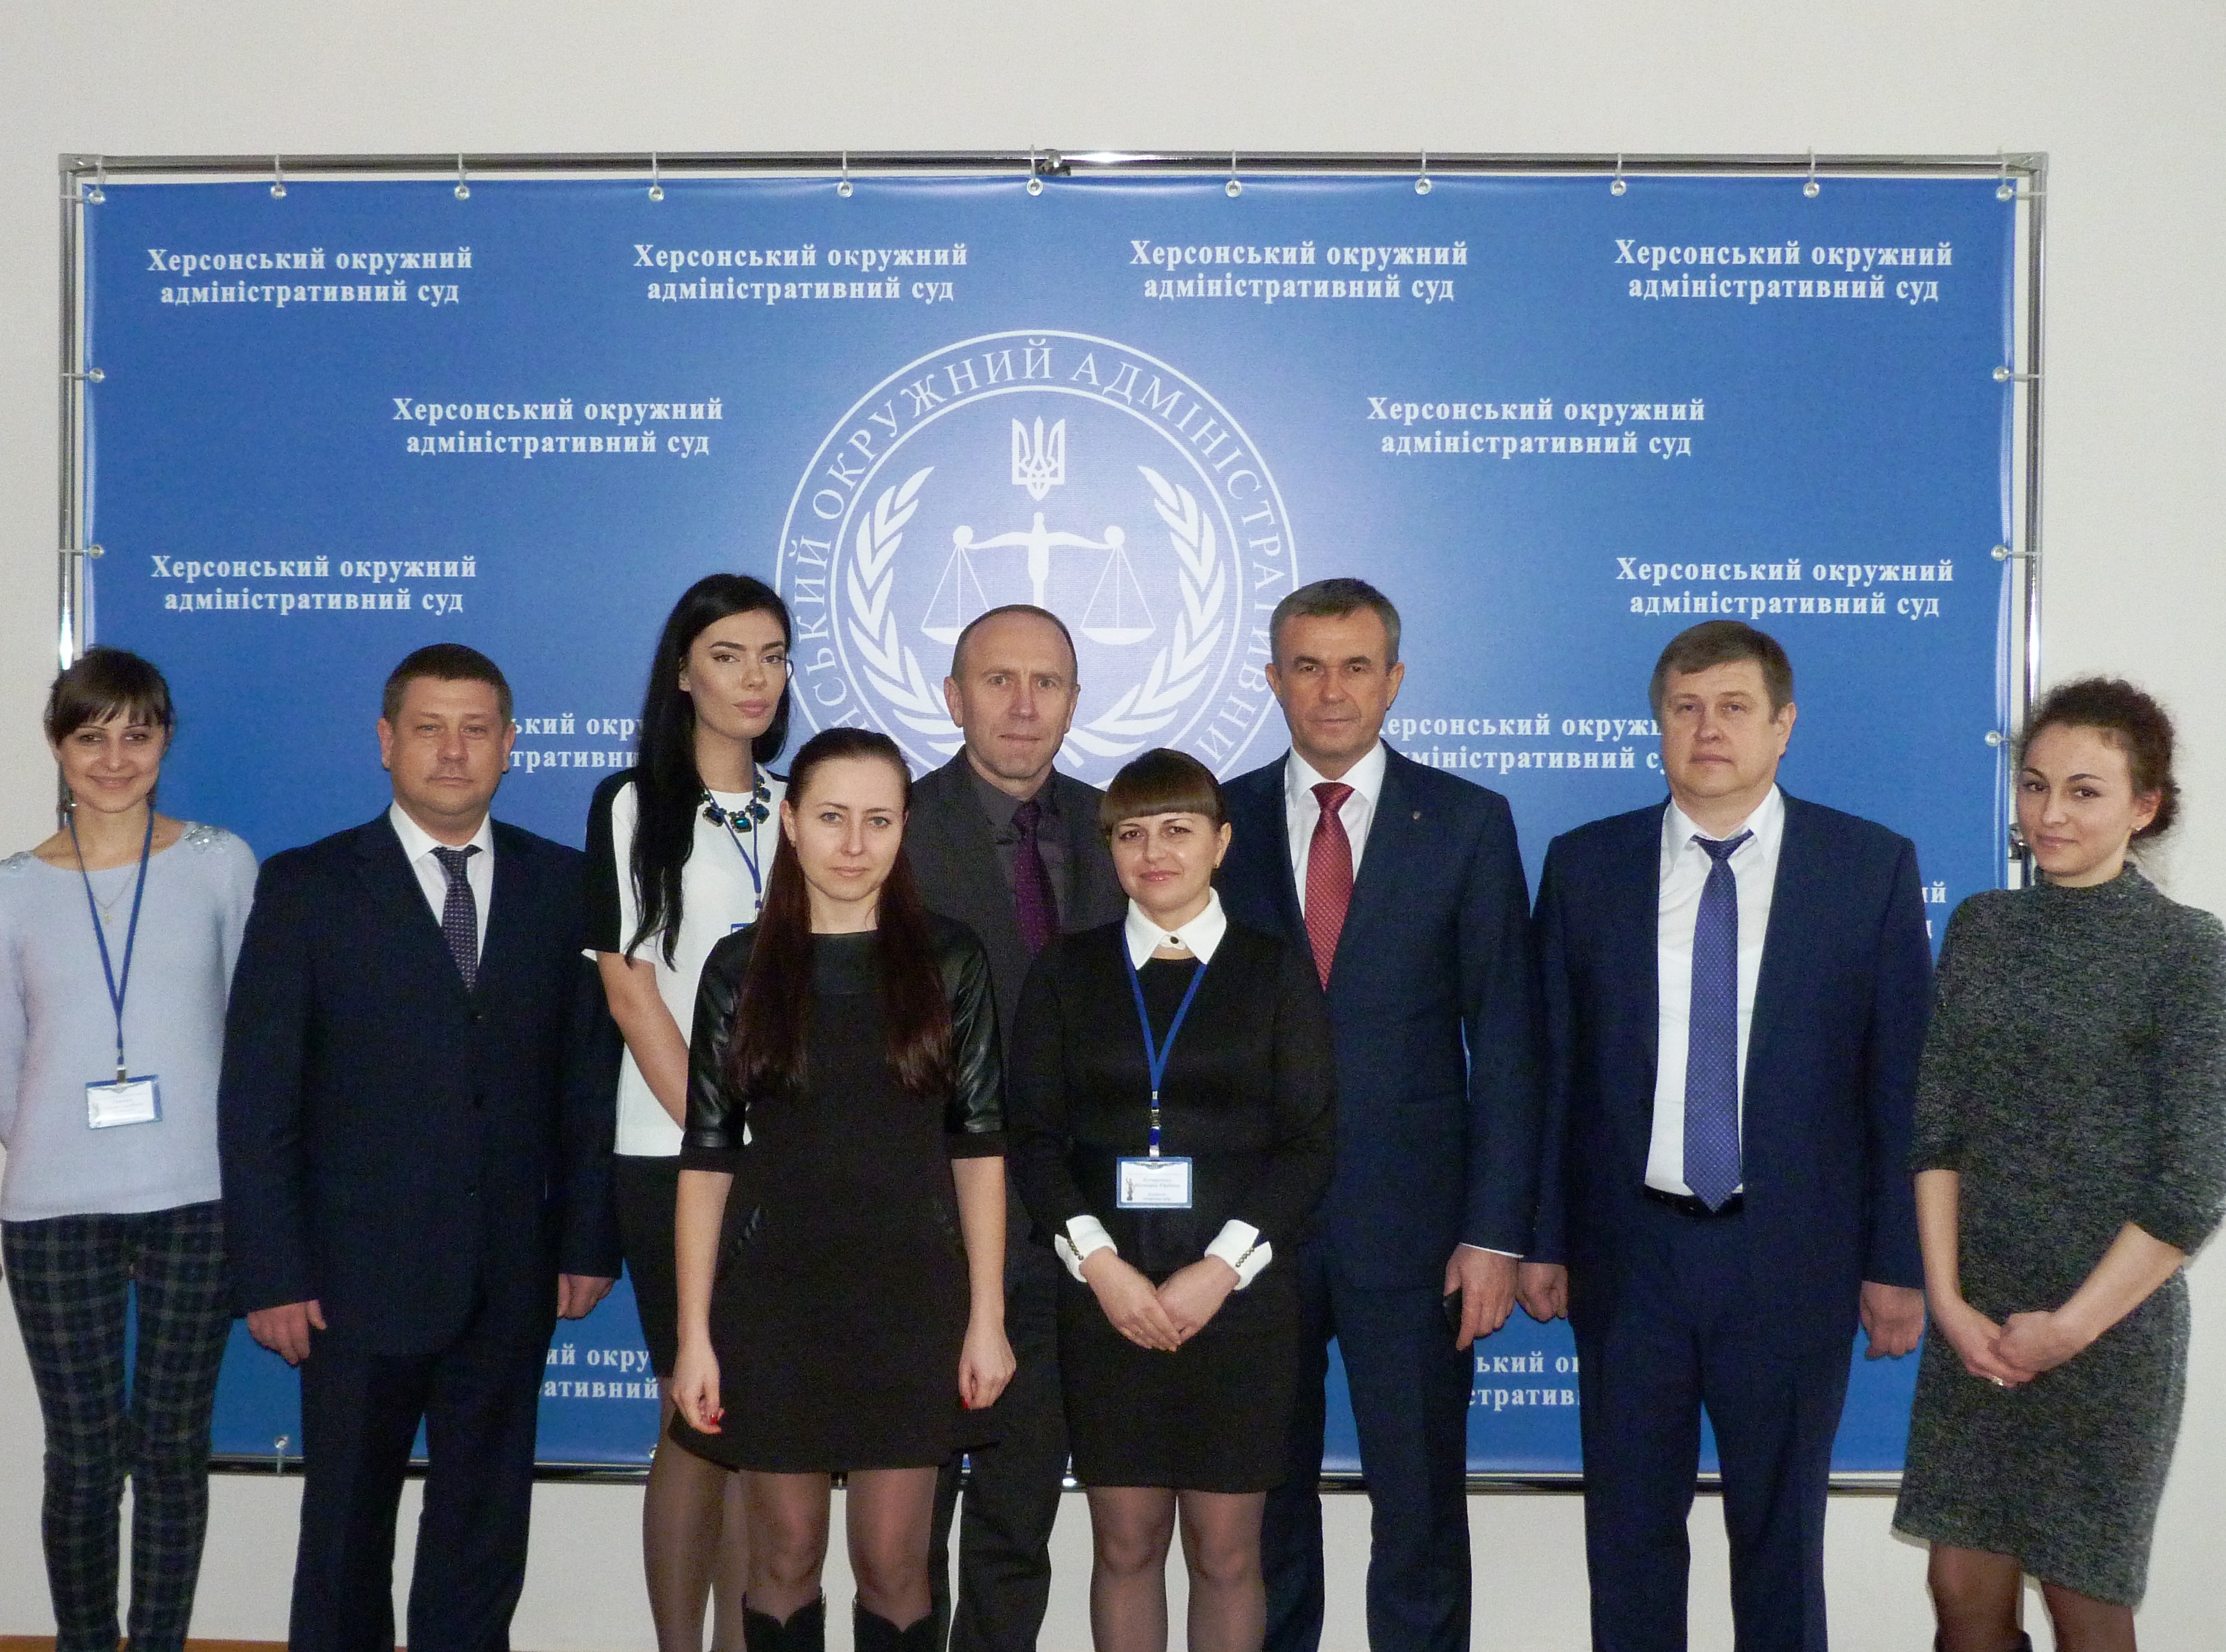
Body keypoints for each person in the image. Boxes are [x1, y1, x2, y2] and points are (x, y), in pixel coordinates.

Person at [1520, 619, 1931, 1652]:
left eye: (1734, 707)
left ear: (1781, 726)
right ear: (1657, 724)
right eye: (1685, 707)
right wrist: (1542, 1237)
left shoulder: (1866, 866)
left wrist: (1896, 1262)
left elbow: (1899, 1087)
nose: (1708, 729)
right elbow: (1550, 1070)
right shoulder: (1585, 866)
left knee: (1780, 1542)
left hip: (1792, 1260)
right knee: (1627, 1539)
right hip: (1629, 1258)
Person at [218, 642, 621, 1652]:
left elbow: (587, 1083)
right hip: (351, 1282)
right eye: (429, 728)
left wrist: (586, 1239)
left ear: (510, 744)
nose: (453, 750)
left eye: (476, 729)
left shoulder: (565, 885)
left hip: (510, 1273)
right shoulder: (308, 886)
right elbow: (260, 1097)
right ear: (386, 741)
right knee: (345, 1534)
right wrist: (273, 1270)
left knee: (482, 1535)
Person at [1217, 577, 1545, 1652]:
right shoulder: (1215, 823)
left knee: (1418, 1513)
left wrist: (1494, 1233)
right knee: (1262, 1511)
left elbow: (1508, 1042)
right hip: (1251, 1234)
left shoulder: (1464, 822)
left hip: (1416, 1236)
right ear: (1272, 679)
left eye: (1355, 666)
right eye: (1307, 666)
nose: (1331, 690)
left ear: (1394, 679)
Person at [1894, 677, 2226, 1652]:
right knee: (1959, 1590)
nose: (2049, 813)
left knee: (2087, 1605)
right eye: (2034, 785)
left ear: (2143, 805)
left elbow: (2191, 1181)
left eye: (2084, 791)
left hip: (2107, 1332)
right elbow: (1937, 1131)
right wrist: (1949, 1302)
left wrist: (2068, 1329)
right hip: (1976, 1323)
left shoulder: (2186, 949)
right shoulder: (1982, 927)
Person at [669, 726, 1016, 1652]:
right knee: (782, 1557)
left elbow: (980, 1146)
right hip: (774, 1300)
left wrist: (986, 1316)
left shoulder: (951, 959)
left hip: (914, 1298)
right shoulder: (739, 968)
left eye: (878, 820)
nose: (854, 844)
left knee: (895, 1563)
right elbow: (706, 1157)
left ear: (905, 827)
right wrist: (695, 1335)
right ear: (790, 823)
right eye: (831, 818)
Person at [1007, 747, 1336, 1652]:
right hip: (1106, 1302)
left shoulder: (1275, 970)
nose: (1153, 852)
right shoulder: (1066, 971)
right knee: (1124, 1546)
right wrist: (1100, 1267)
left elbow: (1309, 1144)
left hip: (1239, 1303)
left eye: (1177, 830)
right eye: (1131, 834)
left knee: (1226, 1555)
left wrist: (1218, 1271)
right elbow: (1033, 1139)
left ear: (1220, 843)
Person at [0, 648, 256, 1652]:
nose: (114, 758)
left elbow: (251, 1034)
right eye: (91, 736)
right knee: (81, 1455)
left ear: (165, 741)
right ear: (58, 746)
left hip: (197, 1199)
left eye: (136, 735)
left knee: (173, 1447)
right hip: (53, 1207)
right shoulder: (13, 889)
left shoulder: (220, 864)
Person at [907, 602, 1127, 1652]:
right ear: (953, 697)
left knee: (1017, 1517)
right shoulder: (890, 827)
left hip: (1069, 1233)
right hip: (920, 1227)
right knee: (903, 1531)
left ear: (1075, 702)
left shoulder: (1123, 830)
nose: (1024, 704)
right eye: (998, 680)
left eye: (1047, 683)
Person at [586, 573, 794, 1652]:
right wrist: (724, 1136)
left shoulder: (802, 804)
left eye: (771, 655)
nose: (753, 677)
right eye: (727, 654)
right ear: (681, 672)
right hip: (675, 1154)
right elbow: (631, 993)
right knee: (697, 1407)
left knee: (767, 1423)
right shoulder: (634, 805)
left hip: (793, 1158)